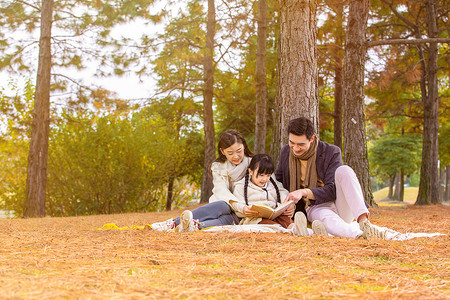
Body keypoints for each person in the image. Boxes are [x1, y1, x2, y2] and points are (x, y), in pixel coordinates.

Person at [275, 117, 385, 239]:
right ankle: (359, 235)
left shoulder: (331, 152)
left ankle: (364, 222)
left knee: (344, 170)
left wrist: (303, 192)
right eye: (292, 143)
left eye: (301, 144)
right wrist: (288, 204)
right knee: (326, 218)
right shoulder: (286, 152)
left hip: (339, 203)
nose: (295, 148)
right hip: (315, 207)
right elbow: (278, 182)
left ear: (311, 139)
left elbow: (332, 189)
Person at [151, 129, 253, 232]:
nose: (236, 156)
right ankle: (174, 223)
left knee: (226, 220)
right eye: (230, 153)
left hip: (244, 210)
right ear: (222, 151)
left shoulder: (255, 164)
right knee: (222, 205)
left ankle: (193, 226)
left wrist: (245, 209)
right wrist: (238, 206)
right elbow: (221, 190)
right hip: (226, 204)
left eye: (239, 151)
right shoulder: (218, 166)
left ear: (244, 145)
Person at [231, 154, 294, 228]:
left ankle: (295, 228)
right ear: (251, 171)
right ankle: (284, 230)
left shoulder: (272, 185)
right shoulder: (241, 186)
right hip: (256, 219)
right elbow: (235, 203)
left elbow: (282, 195)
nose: (265, 179)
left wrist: (288, 207)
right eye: (261, 175)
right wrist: (244, 209)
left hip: (274, 216)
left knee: (285, 219)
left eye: (268, 175)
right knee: (270, 226)